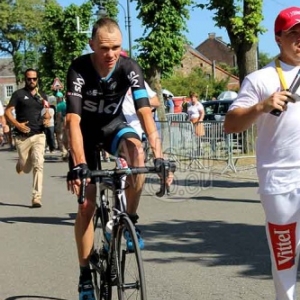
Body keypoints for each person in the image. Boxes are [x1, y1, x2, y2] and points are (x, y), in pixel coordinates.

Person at [65, 17, 164, 300]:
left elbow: (145, 113)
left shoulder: (129, 67)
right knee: (86, 204)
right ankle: (85, 276)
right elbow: (72, 120)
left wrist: (161, 156)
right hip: (84, 134)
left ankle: (129, 219)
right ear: (92, 44)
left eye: (116, 48)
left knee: (137, 152)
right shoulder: (79, 68)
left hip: (113, 127)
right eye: (104, 48)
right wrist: (80, 165)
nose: (110, 55)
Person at [224, 6, 300, 300]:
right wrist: (261, 107)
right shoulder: (259, 79)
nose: (299, 39)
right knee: (285, 262)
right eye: (294, 33)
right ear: (279, 38)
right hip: (279, 181)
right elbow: (231, 124)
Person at [5, 68, 50, 208]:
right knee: (25, 167)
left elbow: (47, 112)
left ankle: (36, 197)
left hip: (38, 135)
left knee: (38, 164)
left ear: (37, 80)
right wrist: (17, 124)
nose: (32, 81)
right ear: (25, 80)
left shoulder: (42, 96)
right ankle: (20, 163)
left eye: (34, 79)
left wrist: (47, 118)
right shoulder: (19, 94)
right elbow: (7, 112)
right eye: (29, 79)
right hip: (22, 137)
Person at [55, 91, 68, 159]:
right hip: (67, 123)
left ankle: (64, 151)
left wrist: (57, 124)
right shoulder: (65, 104)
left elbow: (59, 116)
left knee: (60, 138)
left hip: (61, 123)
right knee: (66, 138)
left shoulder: (59, 105)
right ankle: (66, 151)